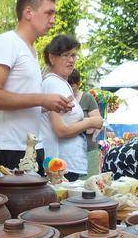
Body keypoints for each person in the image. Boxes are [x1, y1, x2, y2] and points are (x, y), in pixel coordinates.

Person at [0, 0, 73, 176]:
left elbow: (23, 98)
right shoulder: (7, 42)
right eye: (48, 13)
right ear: (28, 13)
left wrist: (50, 105)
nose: (53, 20)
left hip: (32, 148)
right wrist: (42, 99)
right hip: (9, 149)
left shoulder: (31, 50)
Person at [39, 36, 103, 182]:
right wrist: (90, 122)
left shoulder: (59, 83)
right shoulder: (54, 84)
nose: (71, 60)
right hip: (60, 165)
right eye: (65, 55)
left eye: (73, 55)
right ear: (52, 58)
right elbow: (60, 130)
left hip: (66, 164)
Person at [67, 69, 102, 179]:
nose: (70, 89)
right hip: (69, 152)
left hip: (88, 150)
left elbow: (97, 122)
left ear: (78, 84)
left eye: (72, 86)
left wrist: (84, 125)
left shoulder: (87, 98)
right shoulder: (62, 98)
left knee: (89, 182)